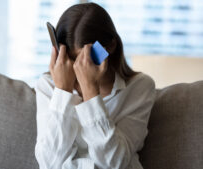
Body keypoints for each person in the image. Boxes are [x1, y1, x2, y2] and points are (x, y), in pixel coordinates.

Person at [34, 2, 156, 169]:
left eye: (85, 60)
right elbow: (48, 163)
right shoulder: (47, 86)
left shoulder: (140, 87)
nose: (77, 69)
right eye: (71, 59)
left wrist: (91, 93)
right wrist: (62, 92)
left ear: (110, 46)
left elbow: (114, 163)